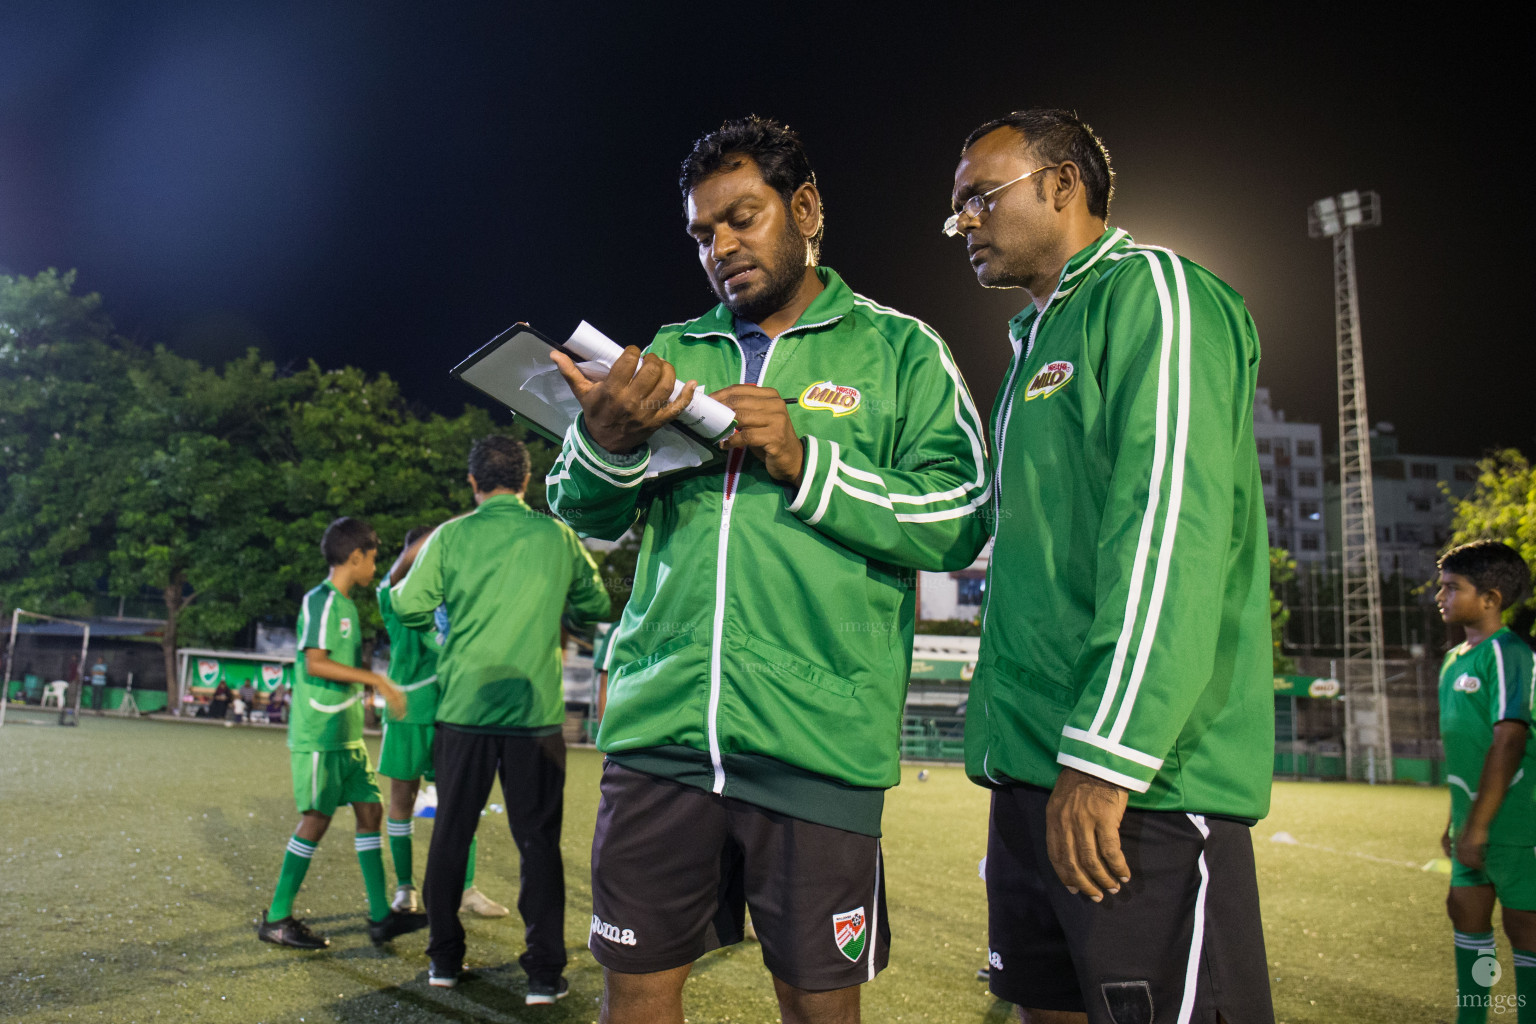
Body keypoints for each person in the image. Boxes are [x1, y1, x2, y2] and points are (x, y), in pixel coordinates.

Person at [546, 116, 989, 1024]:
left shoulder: (902, 352)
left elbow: (963, 516)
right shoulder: (668, 352)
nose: (722, 247)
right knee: (633, 995)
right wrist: (604, 440)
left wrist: (807, 462)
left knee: (820, 1006)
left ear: (806, 208)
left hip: (817, 746)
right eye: (704, 233)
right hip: (660, 734)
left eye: (742, 218)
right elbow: (582, 514)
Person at [949, 109, 1275, 1023]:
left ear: (1063, 185)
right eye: (956, 210)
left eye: (980, 197)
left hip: (1139, 780)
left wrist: (1107, 754)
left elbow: (1170, 527)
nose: (963, 221)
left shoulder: (1156, 292)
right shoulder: (1032, 343)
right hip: (1032, 770)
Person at [393, 435, 610, 1003]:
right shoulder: (556, 535)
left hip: (462, 710)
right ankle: (542, 975)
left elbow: (407, 604)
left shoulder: (451, 535)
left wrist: (448, 636)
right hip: (534, 716)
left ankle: (443, 961)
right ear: (525, 481)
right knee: (538, 843)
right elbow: (595, 605)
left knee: (450, 834)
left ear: (472, 483)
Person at [256, 516, 423, 951]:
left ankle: (380, 917)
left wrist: (362, 689)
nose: (375, 566)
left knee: (371, 811)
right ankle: (276, 917)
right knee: (316, 818)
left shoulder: (347, 605)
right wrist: (377, 681)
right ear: (356, 557)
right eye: (373, 558)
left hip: (345, 735)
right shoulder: (323, 601)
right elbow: (315, 662)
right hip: (319, 734)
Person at [376, 525, 509, 920]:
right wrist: (429, 542)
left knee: (457, 805)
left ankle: (465, 889)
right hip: (406, 717)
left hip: (451, 717)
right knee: (401, 802)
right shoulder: (398, 599)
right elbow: (392, 579)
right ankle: (404, 888)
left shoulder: (456, 603)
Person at [1434, 540, 1536, 1020]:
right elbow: (1466, 752)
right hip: (1471, 823)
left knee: (1525, 929)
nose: (1441, 597)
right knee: (1465, 915)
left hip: (1516, 826)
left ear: (1491, 599)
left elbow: (1509, 739)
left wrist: (1479, 826)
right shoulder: (1454, 660)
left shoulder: (1507, 652)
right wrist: (1456, 820)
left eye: (1453, 588)